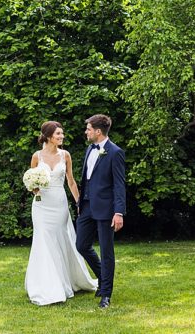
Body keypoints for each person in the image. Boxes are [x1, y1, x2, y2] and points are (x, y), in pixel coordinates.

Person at [24, 121, 97, 305]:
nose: (61, 137)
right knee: (43, 240)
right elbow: (31, 182)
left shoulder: (65, 155)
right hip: (41, 205)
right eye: (58, 134)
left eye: (62, 134)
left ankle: (66, 280)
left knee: (60, 239)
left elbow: (71, 182)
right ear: (49, 136)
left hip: (59, 203)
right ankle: (47, 286)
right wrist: (34, 189)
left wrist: (80, 202)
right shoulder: (36, 156)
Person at [75, 113, 126, 309]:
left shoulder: (115, 152)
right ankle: (102, 277)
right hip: (86, 206)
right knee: (81, 245)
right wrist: (80, 202)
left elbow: (119, 185)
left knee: (106, 251)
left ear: (98, 131)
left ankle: (106, 294)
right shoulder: (89, 149)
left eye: (88, 129)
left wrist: (118, 212)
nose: (86, 132)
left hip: (106, 209)